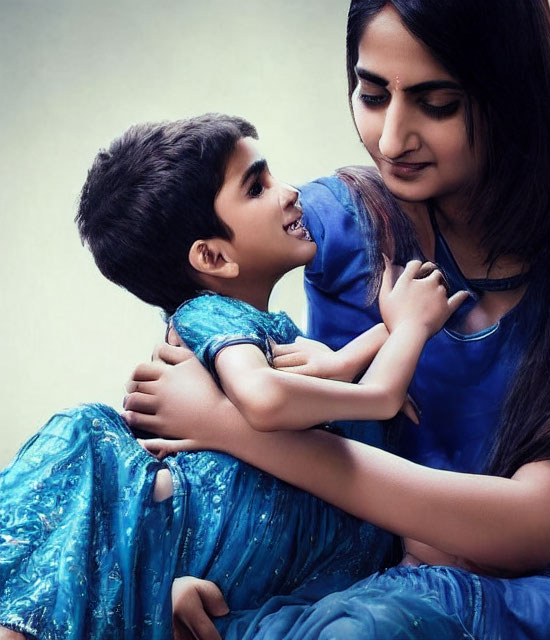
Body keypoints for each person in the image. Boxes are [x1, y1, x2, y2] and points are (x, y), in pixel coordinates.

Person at [124, 1, 550, 638]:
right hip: (324, 570)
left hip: (508, 598)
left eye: (437, 103)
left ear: (511, 92)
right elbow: (190, 340)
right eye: (372, 94)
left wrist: (241, 431)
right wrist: (180, 559)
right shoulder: (340, 219)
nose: (392, 140)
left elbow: (528, 528)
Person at [0, 113, 465, 640]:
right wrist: (382, 383)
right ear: (213, 257)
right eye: (257, 187)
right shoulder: (208, 316)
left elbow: (332, 376)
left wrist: (397, 331)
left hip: (309, 550)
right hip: (207, 526)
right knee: (79, 434)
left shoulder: (282, 339)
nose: (290, 193)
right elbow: (267, 399)